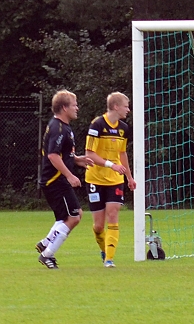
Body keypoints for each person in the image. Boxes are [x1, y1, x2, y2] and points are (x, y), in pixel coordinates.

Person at [35, 90, 92, 269]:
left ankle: (46, 243)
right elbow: (52, 155)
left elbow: (62, 153)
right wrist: (69, 175)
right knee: (73, 217)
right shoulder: (58, 127)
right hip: (55, 181)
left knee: (73, 215)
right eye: (74, 105)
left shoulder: (63, 126)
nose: (77, 108)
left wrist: (77, 159)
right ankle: (47, 254)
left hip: (56, 180)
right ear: (64, 107)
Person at [83, 92, 137, 268]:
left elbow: (122, 153)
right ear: (115, 107)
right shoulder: (97, 125)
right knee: (98, 226)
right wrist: (110, 165)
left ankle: (109, 260)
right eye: (126, 106)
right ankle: (104, 249)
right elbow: (89, 154)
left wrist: (129, 177)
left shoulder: (123, 128)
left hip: (115, 180)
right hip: (95, 179)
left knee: (113, 215)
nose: (128, 109)